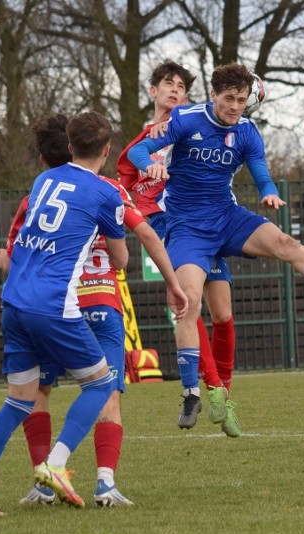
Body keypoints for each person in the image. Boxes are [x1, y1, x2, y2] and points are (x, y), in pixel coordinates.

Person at [0, 111, 187, 517]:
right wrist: (172, 282)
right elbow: (121, 256)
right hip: (57, 305)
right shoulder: (106, 192)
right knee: (101, 384)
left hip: (14, 304)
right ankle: (57, 464)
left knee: (19, 401)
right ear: (107, 150)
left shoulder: (43, 181)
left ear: (67, 146)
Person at [127, 63, 304, 426]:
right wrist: (149, 164)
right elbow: (141, 150)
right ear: (213, 95)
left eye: (241, 100)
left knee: (284, 242)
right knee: (188, 302)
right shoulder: (186, 119)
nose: (234, 106)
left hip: (227, 218)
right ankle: (190, 394)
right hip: (188, 229)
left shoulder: (246, 129)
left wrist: (269, 191)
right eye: (228, 98)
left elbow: (259, 168)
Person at [117, 60, 240, 437]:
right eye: (167, 84)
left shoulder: (191, 126)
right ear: (152, 92)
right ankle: (211, 389)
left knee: (222, 313)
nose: (175, 90)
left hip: (209, 222)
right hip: (169, 227)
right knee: (189, 304)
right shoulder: (142, 143)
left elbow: (231, 118)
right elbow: (121, 190)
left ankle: (223, 392)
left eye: (181, 87)